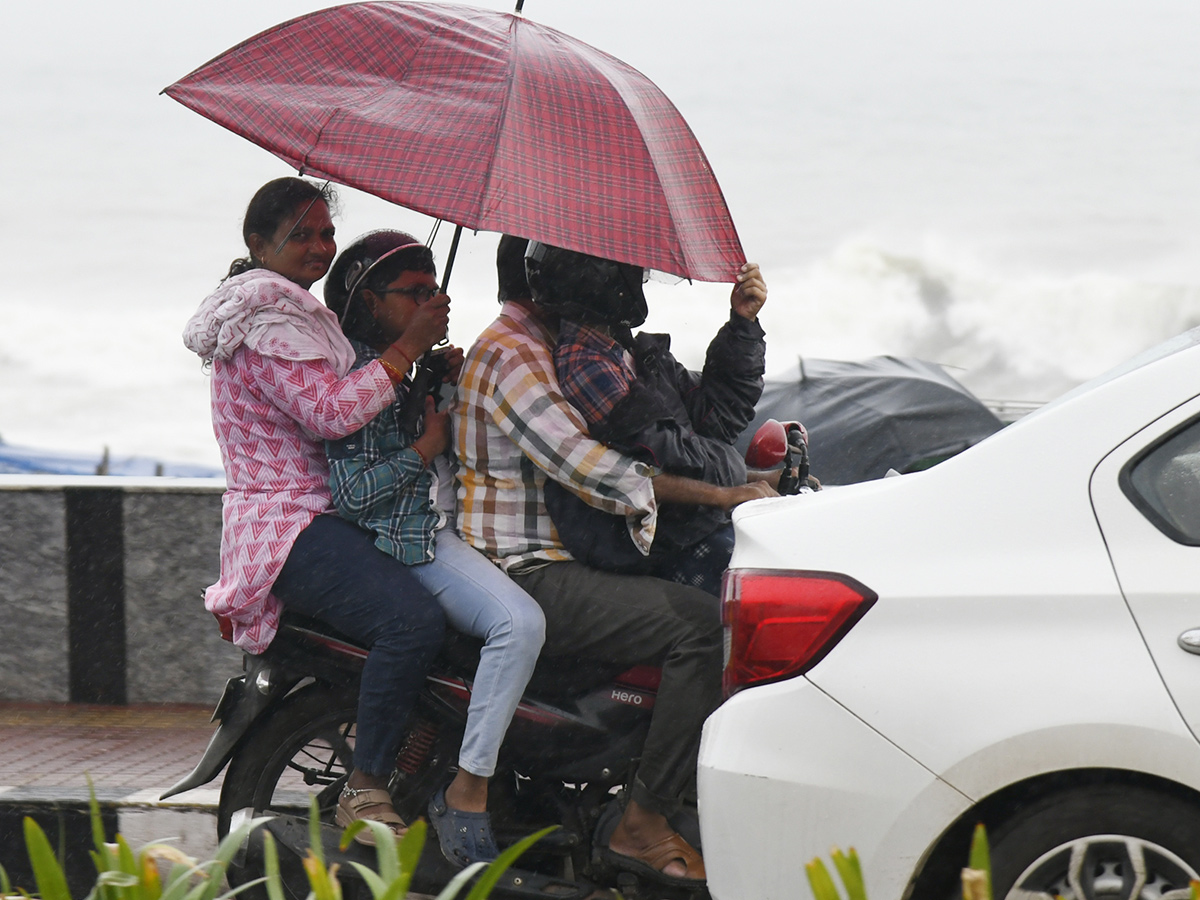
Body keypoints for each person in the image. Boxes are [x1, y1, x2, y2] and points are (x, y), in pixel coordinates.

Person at [451, 235, 776, 889]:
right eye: (614, 270)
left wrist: (741, 330)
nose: (628, 284)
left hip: (559, 555)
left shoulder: (568, 347)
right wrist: (726, 492)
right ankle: (644, 819)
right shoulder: (514, 354)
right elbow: (589, 467)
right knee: (701, 625)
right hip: (529, 569)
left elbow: (701, 422)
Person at [182, 178, 445, 847]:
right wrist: (406, 349)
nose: (320, 247)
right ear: (257, 242)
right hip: (288, 525)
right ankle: (366, 786)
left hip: (314, 513)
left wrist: (420, 366)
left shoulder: (293, 315)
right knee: (409, 623)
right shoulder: (266, 324)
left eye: (327, 234)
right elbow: (329, 414)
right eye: (302, 234)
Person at [322, 231, 546, 868]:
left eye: (435, 288)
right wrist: (424, 447)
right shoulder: (362, 376)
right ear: (369, 300)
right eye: (415, 293)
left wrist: (436, 382)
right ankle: (468, 787)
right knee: (519, 624)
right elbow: (356, 494)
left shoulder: (406, 370)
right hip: (414, 538)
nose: (436, 300)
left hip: (451, 523)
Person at [541, 241, 771, 596]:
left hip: (690, 524)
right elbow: (671, 461)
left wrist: (742, 324)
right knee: (769, 586)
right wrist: (738, 482)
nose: (640, 280)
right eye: (633, 271)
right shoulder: (587, 366)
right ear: (602, 281)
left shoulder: (626, 351)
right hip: (649, 542)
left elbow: (716, 419)